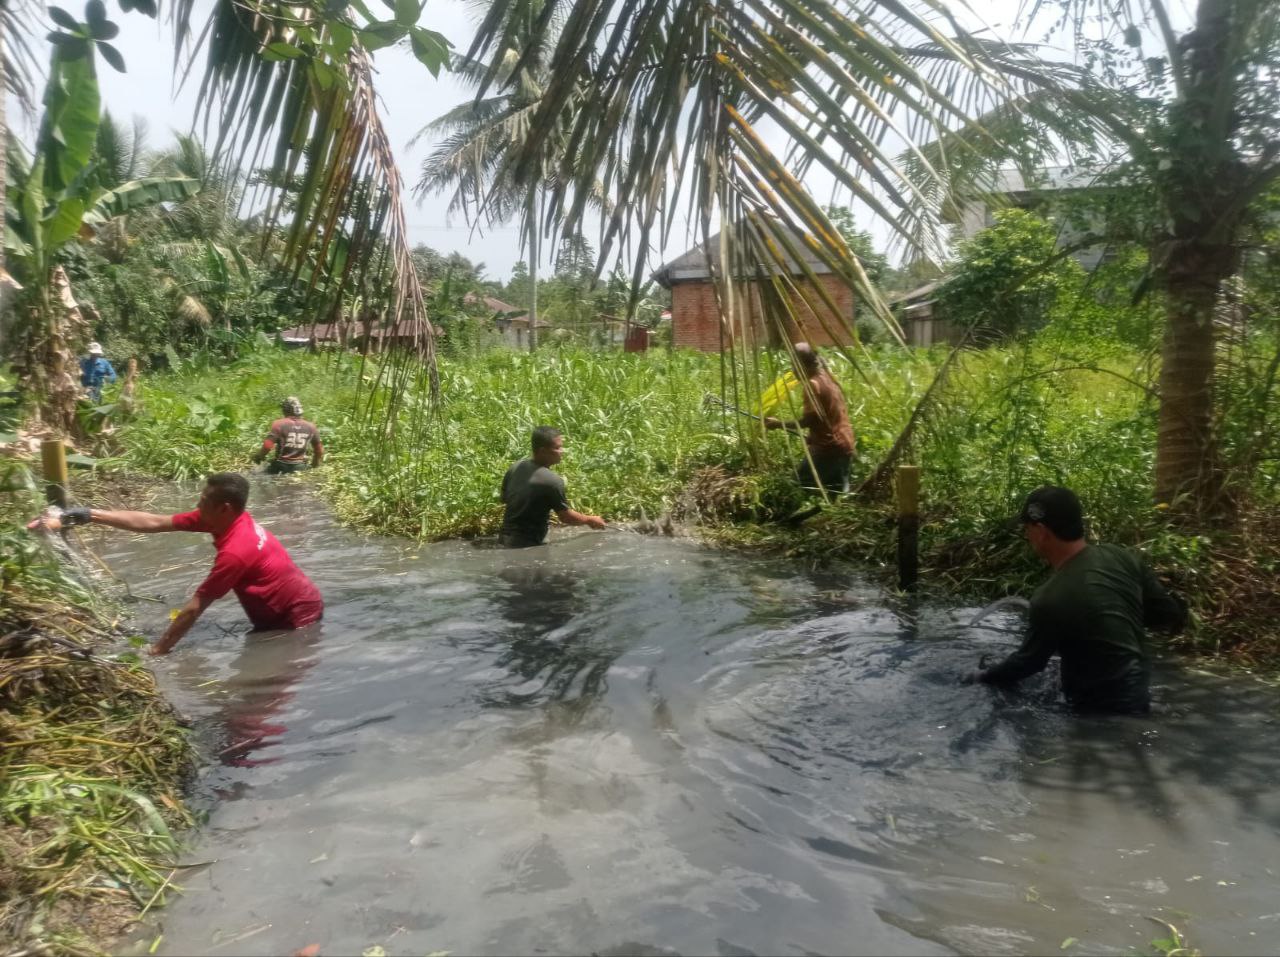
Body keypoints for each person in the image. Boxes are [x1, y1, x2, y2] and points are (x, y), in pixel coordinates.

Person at [28, 472, 323, 656]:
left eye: (203, 500)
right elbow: (153, 522)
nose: (197, 506)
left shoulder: (236, 551)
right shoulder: (225, 520)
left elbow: (195, 608)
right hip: (293, 604)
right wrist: (82, 515)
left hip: (294, 621)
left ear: (225, 508)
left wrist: (157, 651)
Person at [962, 486, 1187, 714]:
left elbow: (1028, 663)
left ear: (1040, 530)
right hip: (1140, 697)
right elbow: (1167, 614)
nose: (1026, 535)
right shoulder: (1121, 557)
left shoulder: (1050, 597)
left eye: (1027, 529)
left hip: (1093, 716)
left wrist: (982, 676)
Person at [763, 342, 855, 493]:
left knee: (798, 486)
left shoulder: (812, 385)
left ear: (803, 365)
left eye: (794, 365)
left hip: (828, 448)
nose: (793, 371)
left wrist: (778, 424)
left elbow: (809, 421)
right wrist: (814, 435)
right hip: (845, 444)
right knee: (836, 494)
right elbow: (824, 419)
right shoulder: (828, 378)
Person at [499, 426, 606, 547]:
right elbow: (566, 517)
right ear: (543, 451)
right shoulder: (552, 481)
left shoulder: (516, 467)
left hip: (504, 539)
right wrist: (589, 520)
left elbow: (505, 499)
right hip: (527, 545)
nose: (562, 451)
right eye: (557, 448)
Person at [253, 397, 323, 474]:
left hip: (280, 466)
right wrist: (314, 465)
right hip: (300, 467)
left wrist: (259, 457)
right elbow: (319, 451)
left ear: (285, 410)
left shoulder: (279, 424)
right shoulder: (311, 426)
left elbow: (267, 446)